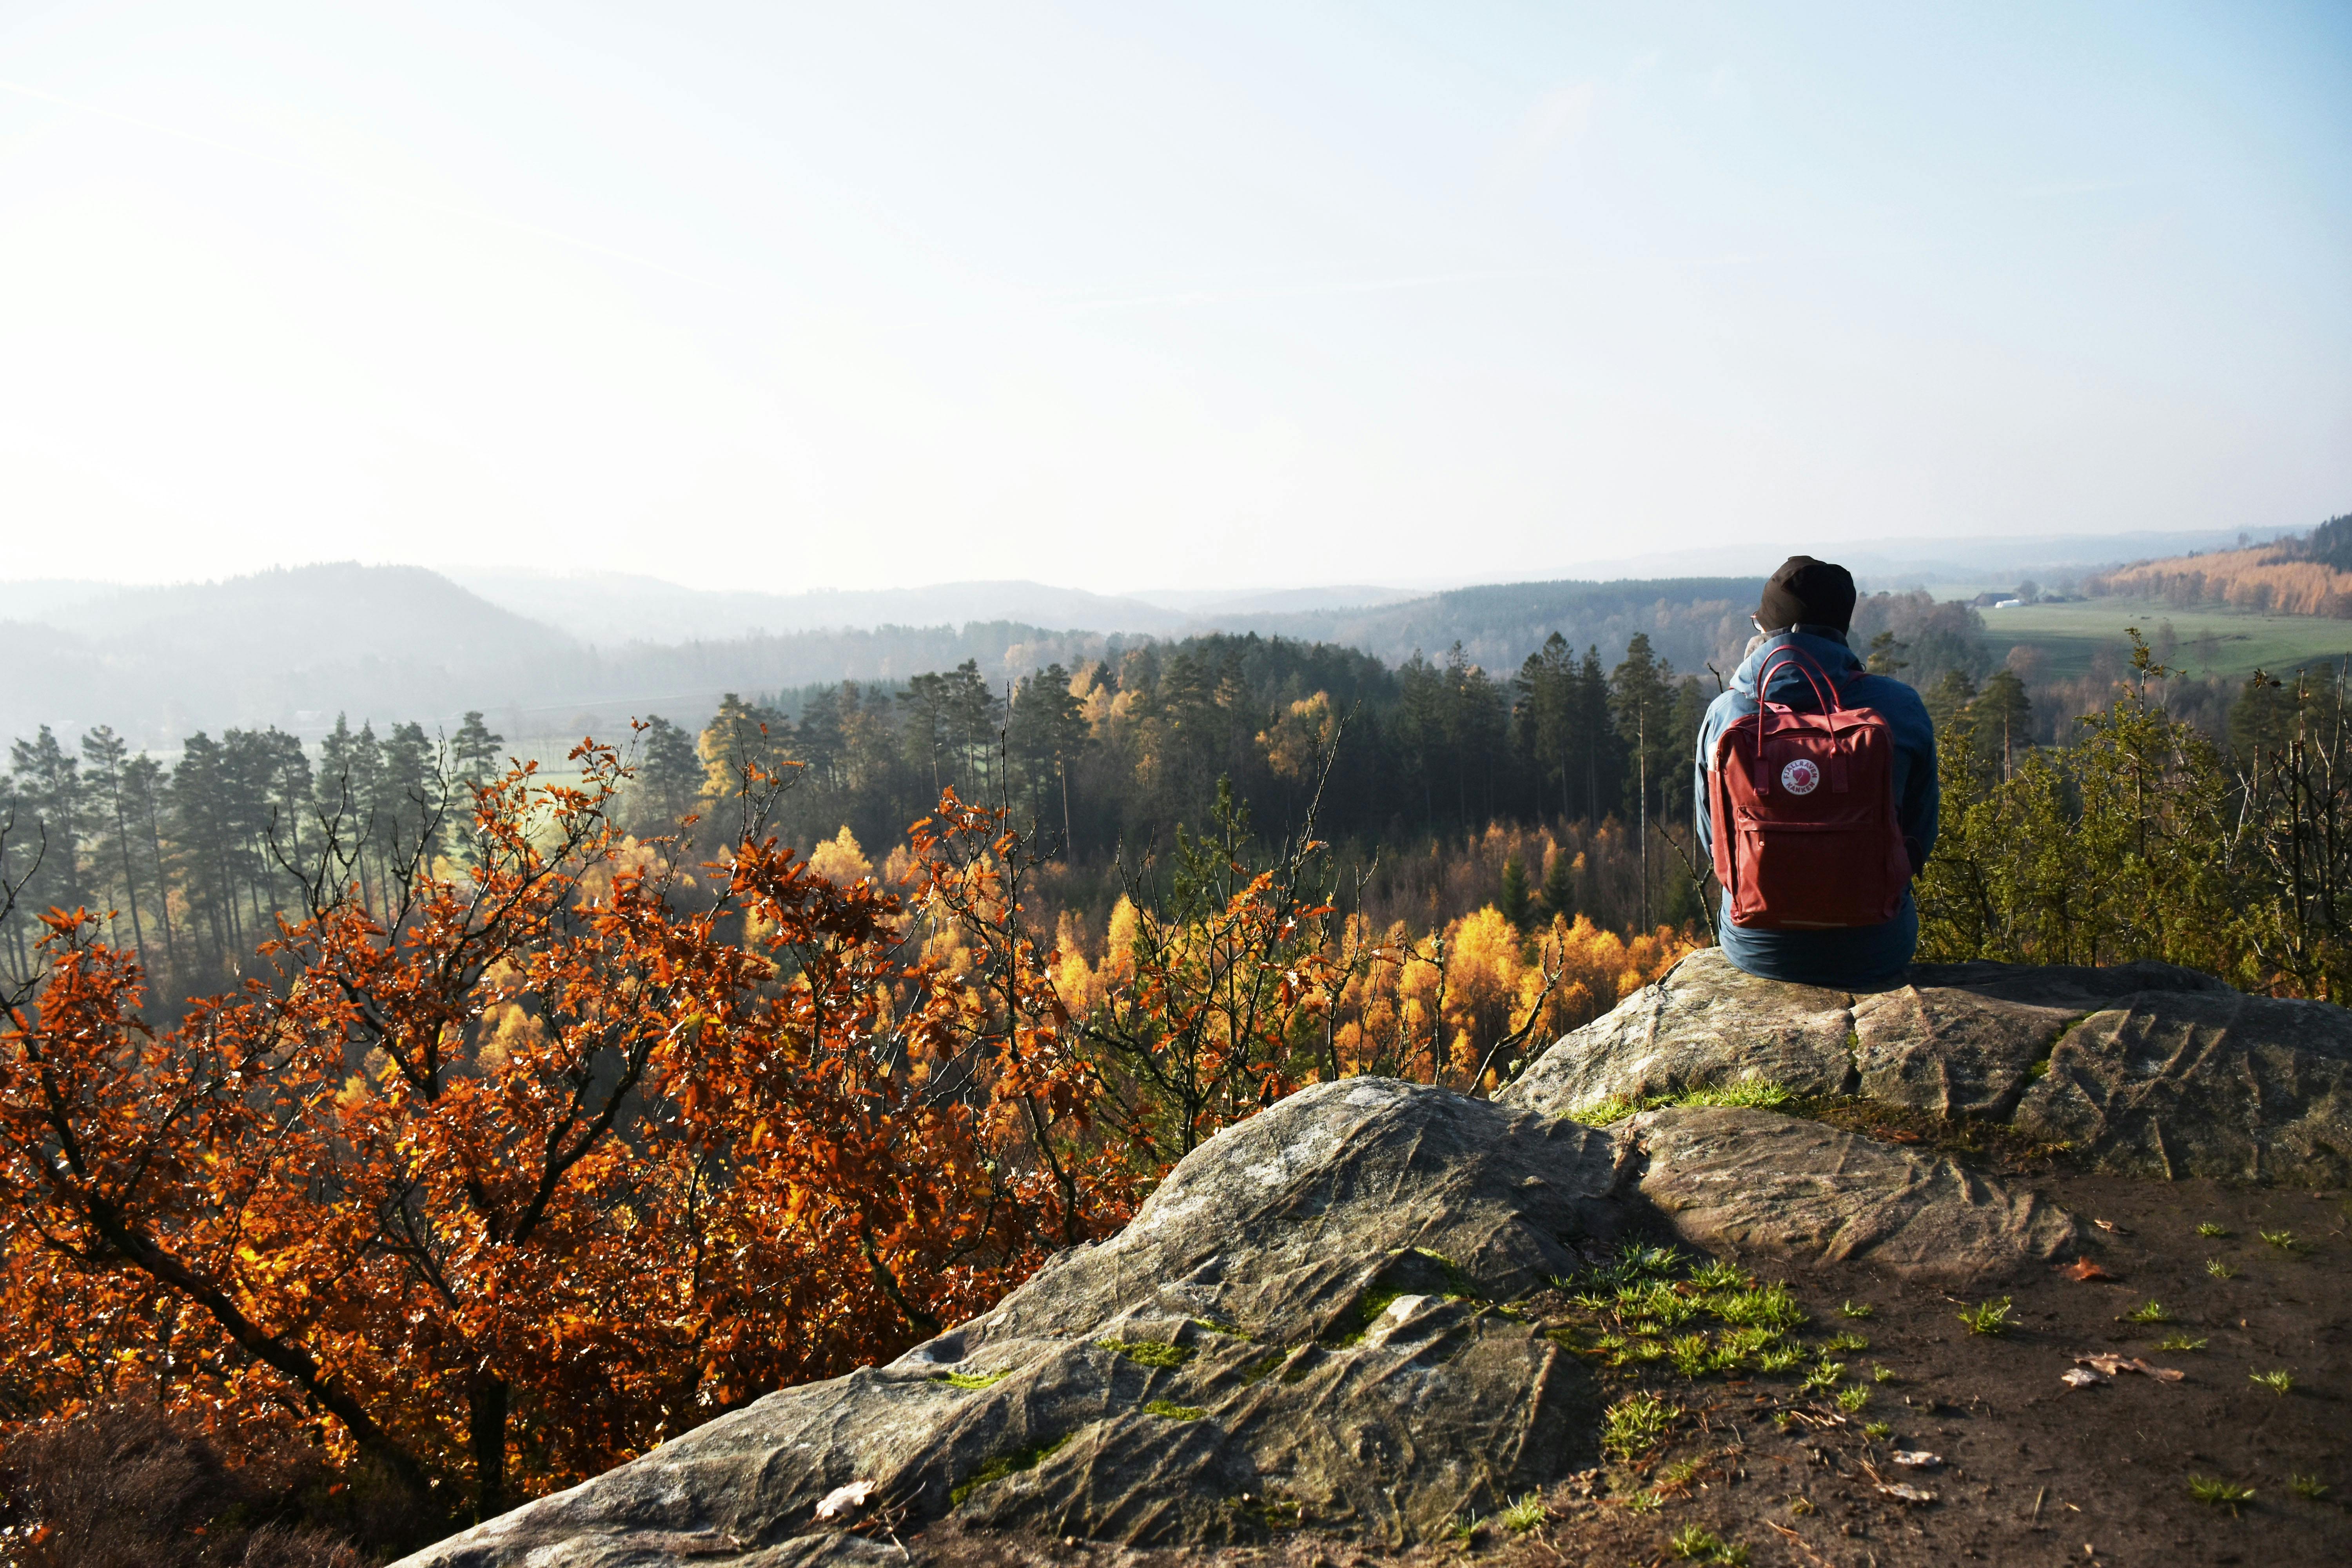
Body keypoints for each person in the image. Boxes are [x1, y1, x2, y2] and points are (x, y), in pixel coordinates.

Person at [1693, 555, 1938, 987]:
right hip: (1875, 946)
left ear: (1764, 634)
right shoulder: (1899, 707)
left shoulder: (1725, 714)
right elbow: (1921, 834)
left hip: (1756, 945)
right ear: (1840, 629)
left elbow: (1714, 841)